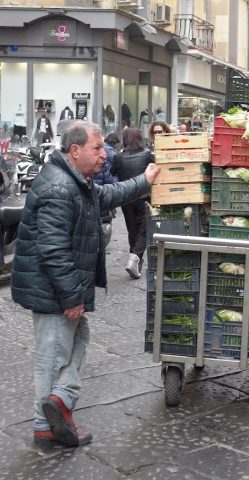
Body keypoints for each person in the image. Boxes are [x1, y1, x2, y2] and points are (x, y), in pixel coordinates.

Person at [10, 120, 161, 447]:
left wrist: (144, 180)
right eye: (97, 149)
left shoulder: (76, 180)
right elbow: (52, 250)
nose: (104, 155)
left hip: (58, 288)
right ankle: (45, 424)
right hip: (52, 291)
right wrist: (70, 297)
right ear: (75, 150)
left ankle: (60, 402)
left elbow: (107, 195)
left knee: (77, 340)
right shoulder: (59, 187)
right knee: (53, 356)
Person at [110, 127, 155, 279]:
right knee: (144, 229)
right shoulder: (147, 155)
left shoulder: (118, 156)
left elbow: (112, 172)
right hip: (145, 197)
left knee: (132, 229)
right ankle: (134, 258)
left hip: (126, 197)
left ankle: (135, 260)